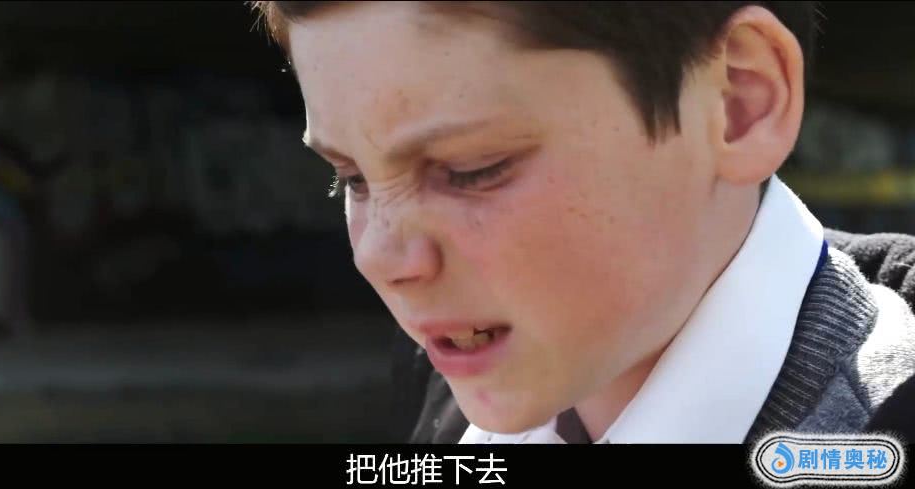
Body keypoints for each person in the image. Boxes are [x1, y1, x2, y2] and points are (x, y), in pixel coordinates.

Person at [253, 1, 915, 444]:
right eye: (353, 178)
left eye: (472, 168)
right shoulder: (453, 390)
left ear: (738, 103)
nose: (381, 256)